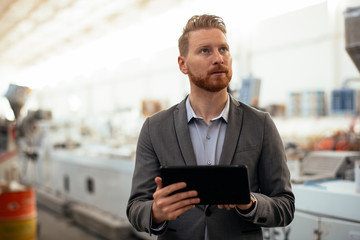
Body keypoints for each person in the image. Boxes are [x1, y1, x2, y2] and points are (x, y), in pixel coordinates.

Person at [127, 14, 295, 240]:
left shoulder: (261, 124)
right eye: (205, 51)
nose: (218, 58)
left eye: (223, 49)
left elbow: (284, 205)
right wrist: (156, 213)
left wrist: (250, 203)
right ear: (182, 64)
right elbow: (136, 207)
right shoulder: (155, 128)